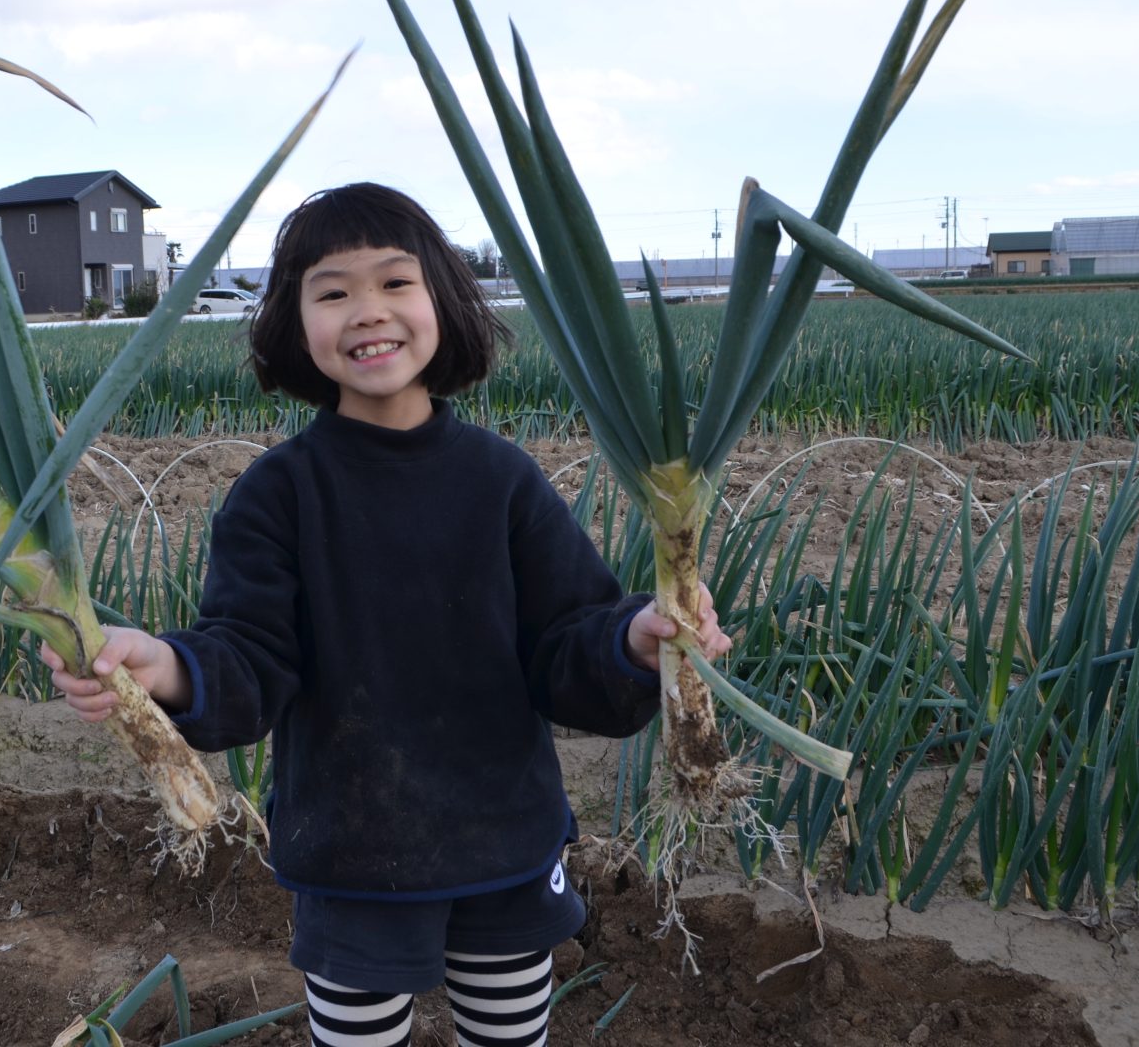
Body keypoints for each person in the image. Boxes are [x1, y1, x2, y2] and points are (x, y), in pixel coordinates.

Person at [46, 182, 729, 1047]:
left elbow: (565, 644)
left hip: (502, 842)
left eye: (395, 283)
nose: (368, 312)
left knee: (510, 1032)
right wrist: (168, 670)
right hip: (349, 850)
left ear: (442, 300)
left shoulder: (501, 481)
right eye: (333, 292)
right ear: (295, 325)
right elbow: (249, 658)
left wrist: (635, 638)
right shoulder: (277, 497)